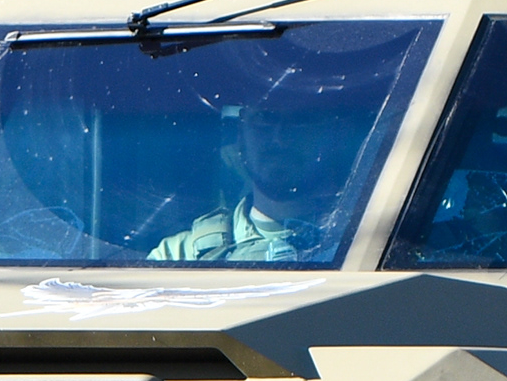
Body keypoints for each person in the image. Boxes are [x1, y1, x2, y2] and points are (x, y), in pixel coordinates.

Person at [147, 78, 369, 264]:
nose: (279, 138)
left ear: (334, 137)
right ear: (241, 136)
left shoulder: (368, 244)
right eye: (265, 117)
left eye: (302, 120)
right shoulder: (178, 257)